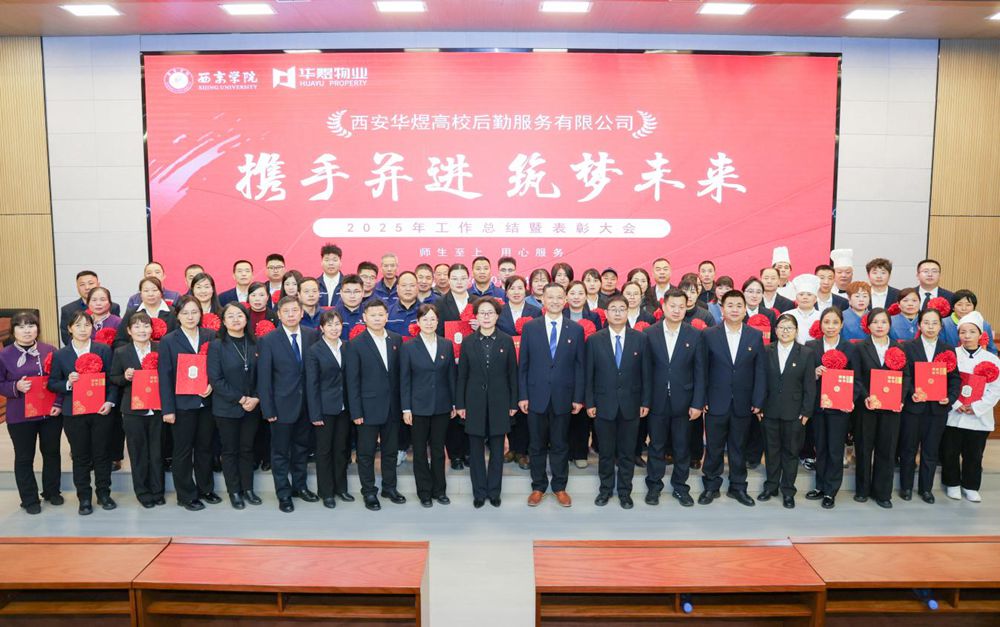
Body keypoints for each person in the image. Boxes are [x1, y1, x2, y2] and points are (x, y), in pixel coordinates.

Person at [519, 283, 585, 508]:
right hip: (535, 396)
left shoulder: (575, 329)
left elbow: (579, 367)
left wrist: (578, 397)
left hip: (563, 397)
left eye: (559, 297)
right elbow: (523, 365)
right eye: (550, 297)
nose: (555, 301)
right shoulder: (531, 328)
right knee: (536, 445)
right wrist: (523, 395)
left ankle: (559, 487)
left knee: (560, 444)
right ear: (543, 300)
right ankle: (538, 487)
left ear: (565, 300)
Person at [700, 290, 766, 506]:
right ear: (722, 309)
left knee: (739, 447)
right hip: (715, 401)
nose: (735, 309)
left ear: (745, 309)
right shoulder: (709, 334)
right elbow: (702, 370)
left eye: (739, 305)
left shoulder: (754, 335)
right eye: (730, 305)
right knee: (714, 447)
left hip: (743, 403)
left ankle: (738, 487)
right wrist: (702, 399)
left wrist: (758, 400)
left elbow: (760, 371)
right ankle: (711, 486)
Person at [48, 311, 118, 515]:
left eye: (87, 325)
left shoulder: (103, 349)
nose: (83, 329)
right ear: (69, 328)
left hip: (101, 410)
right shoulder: (61, 355)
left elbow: (112, 379)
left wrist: (110, 401)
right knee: (80, 456)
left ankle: (104, 494)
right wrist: (68, 383)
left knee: (102, 454)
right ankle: (84, 498)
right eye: (78, 325)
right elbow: (53, 383)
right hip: (74, 413)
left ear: (92, 328)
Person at [585, 295, 650, 509]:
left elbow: (646, 374)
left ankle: (624, 492)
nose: (618, 313)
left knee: (627, 453)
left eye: (622, 309)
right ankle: (605, 490)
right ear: (606, 313)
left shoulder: (640, 339)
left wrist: (645, 401)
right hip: (603, 405)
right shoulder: (595, 340)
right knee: (605, 453)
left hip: (631, 405)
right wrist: (590, 403)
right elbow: (589, 375)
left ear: (628, 311)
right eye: (613, 309)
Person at [643, 289, 705, 507]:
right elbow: (645, 371)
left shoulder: (695, 334)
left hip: (684, 401)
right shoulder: (649, 333)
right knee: (656, 446)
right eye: (673, 306)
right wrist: (645, 401)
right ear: (664, 306)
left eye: (681, 306)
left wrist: (697, 403)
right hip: (656, 400)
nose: (677, 310)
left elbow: (700, 372)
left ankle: (680, 487)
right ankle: (654, 486)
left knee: (681, 447)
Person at [258, 296, 320, 513]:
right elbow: (264, 378)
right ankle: (283, 493)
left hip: (306, 405)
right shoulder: (268, 340)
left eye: (295, 310)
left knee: (301, 449)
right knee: (280, 453)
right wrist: (267, 409)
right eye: (286, 311)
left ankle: (300, 487)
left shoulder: (312, 335)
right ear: (279, 314)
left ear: (302, 313)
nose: (291, 315)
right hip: (280, 406)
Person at [158, 295, 218, 511]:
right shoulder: (168, 341)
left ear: (201, 314)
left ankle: (206, 489)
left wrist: (212, 384)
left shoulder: (210, 335)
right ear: (178, 316)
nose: (190, 317)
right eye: (185, 313)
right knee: (182, 451)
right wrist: (168, 409)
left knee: (205, 448)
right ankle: (186, 495)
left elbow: (217, 366)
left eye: (194, 312)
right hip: (181, 404)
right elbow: (165, 376)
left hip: (206, 402)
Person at [458, 298, 518, 508]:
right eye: (482, 312)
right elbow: (462, 376)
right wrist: (460, 405)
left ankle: (494, 492)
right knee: (475, 452)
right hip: (473, 402)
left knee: (497, 451)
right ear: (476, 316)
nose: (486, 316)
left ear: (497, 316)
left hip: (499, 402)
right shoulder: (468, 342)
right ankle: (479, 493)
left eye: (490, 312)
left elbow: (512, 374)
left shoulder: (506, 341)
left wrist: (513, 403)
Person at [347, 298, 406, 511]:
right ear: (364, 317)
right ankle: (369, 492)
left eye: (381, 314)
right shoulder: (355, 344)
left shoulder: (396, 340)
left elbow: (400, 376)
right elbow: (352, 381)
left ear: (387, 316)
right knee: (366, 454)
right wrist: (356, 411)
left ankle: (390, 488)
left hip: (392, 407)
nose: (377, 318)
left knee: (391, 451)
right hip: (367, 408)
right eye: (373, 315)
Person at [0, 311, 61, 515]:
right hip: (20, 415)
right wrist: (15, 386)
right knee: (24, 457)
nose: (27, 330)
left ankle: (52, 491)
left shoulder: (49, 350)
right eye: (21, 326)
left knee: (51, 453)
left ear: (38, 328)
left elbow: (58, 379)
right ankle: (29, 499)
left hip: (50, 413)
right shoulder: (4, 355)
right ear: (13, 331)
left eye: (31, 325)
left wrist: (59, 403)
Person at [899, 308, 961, 503]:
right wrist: (911, 393)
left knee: (931, 450)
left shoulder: (948, 349)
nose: (931, 327)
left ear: (941, 326)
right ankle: (906, 487)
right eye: (926, 322)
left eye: (935, 323)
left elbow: (955, 378)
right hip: (913, 407)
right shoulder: (908, 347)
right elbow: (904, 376)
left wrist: (949, 398)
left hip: (937, 409)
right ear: (919, 325)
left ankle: (926, 489)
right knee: (908, 449)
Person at [853, 307, 911, 508]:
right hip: (866, 407)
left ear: (889, 325)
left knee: (887, 449)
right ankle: (862, 490)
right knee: (863, 448)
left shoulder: (899, 347)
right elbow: (856, 377)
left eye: (884, 322)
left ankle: (883, 493)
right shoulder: (860, 348)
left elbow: (906, 377)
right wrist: (866, 397)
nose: (879, 326)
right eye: (875, 322)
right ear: (868, 326)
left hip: (891, 408)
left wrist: (900, 399)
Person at [758, 314, 816, 509]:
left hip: (795, 412)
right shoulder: (766, 350)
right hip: (769, 410)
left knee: (791, 453)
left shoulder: (806, 353)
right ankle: (771, 487)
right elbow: (760, 380)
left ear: (796, 331)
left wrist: (806, 412)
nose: (785, 331)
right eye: (781, 327)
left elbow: (809, 385)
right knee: (771, 451)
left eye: (789, 327)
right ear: (775, 330)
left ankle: (788, 491)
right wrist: (759, 405)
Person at [207, 302, 261, 509]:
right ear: (223, 321)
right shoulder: (217, 345)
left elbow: (263, 375)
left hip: (253, 407)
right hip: (227, 408)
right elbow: (216, 379)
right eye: (230, 316)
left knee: (247, 449)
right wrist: (241, 399)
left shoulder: (256, 343)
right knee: (230, 450)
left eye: (239, 315)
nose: (236, 319)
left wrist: (256, 398)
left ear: (246, 318)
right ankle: (235, 491)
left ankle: (248, 489)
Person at [401, 305, 457, 507]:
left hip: (442, 406)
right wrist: (406, 408)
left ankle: (440, 490)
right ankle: (424, 492)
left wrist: (453, 403)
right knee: (419, 451)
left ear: (438, 321)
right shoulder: (408, 347)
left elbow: (451, 376)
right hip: (417, 407)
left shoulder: (446, 345)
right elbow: (404, 380)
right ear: (418, 322)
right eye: (425, 319)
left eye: (433, 319)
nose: (429, 323)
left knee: (439, 450)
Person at [942, 311, 1000, 502]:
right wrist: (957, 403)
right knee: (950, 452)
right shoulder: (951, 355)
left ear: (981, 334)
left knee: (974, 454)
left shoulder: (992, 359)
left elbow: (995, 389)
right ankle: (952, 484)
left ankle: (971, 486)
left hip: (978, 416)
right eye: (963, 332)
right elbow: (945, 382)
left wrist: (975, 407)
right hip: (954, 413)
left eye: (972, 332)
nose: (967, 336)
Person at [804, 307, 858, 509]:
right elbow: (803, 377)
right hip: (818, 406)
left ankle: (831, 490)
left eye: (835, 322)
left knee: (835, 450)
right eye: (826, 322)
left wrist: (850, 399)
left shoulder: (850, 348)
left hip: (840, 408)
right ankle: (820, 486)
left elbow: (857, 379)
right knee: (820, 448)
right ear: (820, 325)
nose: (831, 326)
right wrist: (814, 372)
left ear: (842, 324)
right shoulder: (811, 346)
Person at [109, 311, 164, 508]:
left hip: (157, 408)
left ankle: (158, 491)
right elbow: (113, 377)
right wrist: (125, 377)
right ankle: (143, 492)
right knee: (138, 452)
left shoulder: (160, 348)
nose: (142, 330)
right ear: (129, 331)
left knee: (157, 451)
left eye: (146, 326)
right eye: (137, 327)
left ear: (152, 329)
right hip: (133, 410)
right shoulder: (121, 352)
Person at [305, 309, 354, 508]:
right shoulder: (314, 350)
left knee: (341, 449)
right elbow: (312, 384)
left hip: (344, 408)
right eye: (330, 325)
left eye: (337, 324)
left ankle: (341, 488)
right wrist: (315, 413)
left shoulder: (347, 347)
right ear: (322, 328)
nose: (334, 328)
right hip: (324, 409)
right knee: (324, 451)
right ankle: (326, 492)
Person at [497, 275, 540, 468]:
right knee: (508, 406)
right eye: (512, 288)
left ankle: (523, 451)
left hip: (529, 365)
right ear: (506, 292)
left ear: (526, 290)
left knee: (525, 407)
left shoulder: (535, 311)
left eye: (520, 288)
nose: (516, 292)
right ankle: (512, 448)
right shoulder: (500, 311)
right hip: (505, 365)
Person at [435, 263, 473, 470]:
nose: (459, 282)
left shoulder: (477, 302)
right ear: (448, 280)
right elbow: (436, 332)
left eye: (462, 278)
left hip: (473, 365)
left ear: (469, 280)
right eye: (455, 278)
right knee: (452, 409)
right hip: (449, 364)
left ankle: (469, 451)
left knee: (471, 407)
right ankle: (455, 454)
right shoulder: (440, 303)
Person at [114, 277, 177, 350]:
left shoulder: (173, 312)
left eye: (154, 290)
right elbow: (120, 341)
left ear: (161, 292)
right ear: (140, 294)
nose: (150, 294)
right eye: (146, 291)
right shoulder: (132, 313)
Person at [60, 270, 121, 345]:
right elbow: (67, 337)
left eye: (91, 283)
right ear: (77, 287)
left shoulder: (113, 308)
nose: (87, 287)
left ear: (98, 284)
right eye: (82, 284)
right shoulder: (68, 310)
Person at [942, 290, 996, 355]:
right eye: (959, 304)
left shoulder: (984, 325)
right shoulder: (943, 324)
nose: (964, 308)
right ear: (953, 307)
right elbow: (940, 348)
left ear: (974, 307)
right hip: (951, 359)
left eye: (968, 305)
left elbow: (992, 350)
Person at [786, 274, 821, 345]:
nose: (805, 297)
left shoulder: (822, 316)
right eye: (801, 294)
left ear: (815, 299)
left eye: (809, 294)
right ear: (796, 298)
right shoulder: (786, 315)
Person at [387, 271, 421, 336]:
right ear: (397, 288)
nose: (408, 289)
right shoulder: (387, 312)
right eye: (404, 285)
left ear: (417, 288)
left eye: (412, 285)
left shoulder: (426, 312)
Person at [335, 274, 366, 339]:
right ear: (341, 293)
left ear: (363, 293)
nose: (352, 296)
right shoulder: (333, 314)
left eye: (356, 292)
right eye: (347, 292)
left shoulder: (370, 314)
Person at [318, 242, 343, 307]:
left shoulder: (347, 283)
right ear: (321, 262)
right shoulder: (315, 284)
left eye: (335, 260)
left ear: (340, 263)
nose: (331, 263)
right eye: (327, 260)